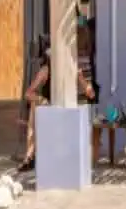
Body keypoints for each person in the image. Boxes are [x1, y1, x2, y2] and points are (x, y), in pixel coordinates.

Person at [18, 35, 95, 172]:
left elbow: (88, 91)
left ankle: (30, 156)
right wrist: (42, 100)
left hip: (68, 108)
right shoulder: (46, 71)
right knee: (35, 107)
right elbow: (28, 93)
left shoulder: (73, 69)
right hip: (49, 108)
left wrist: (84, 84)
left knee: (36, 110)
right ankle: (29, 155)